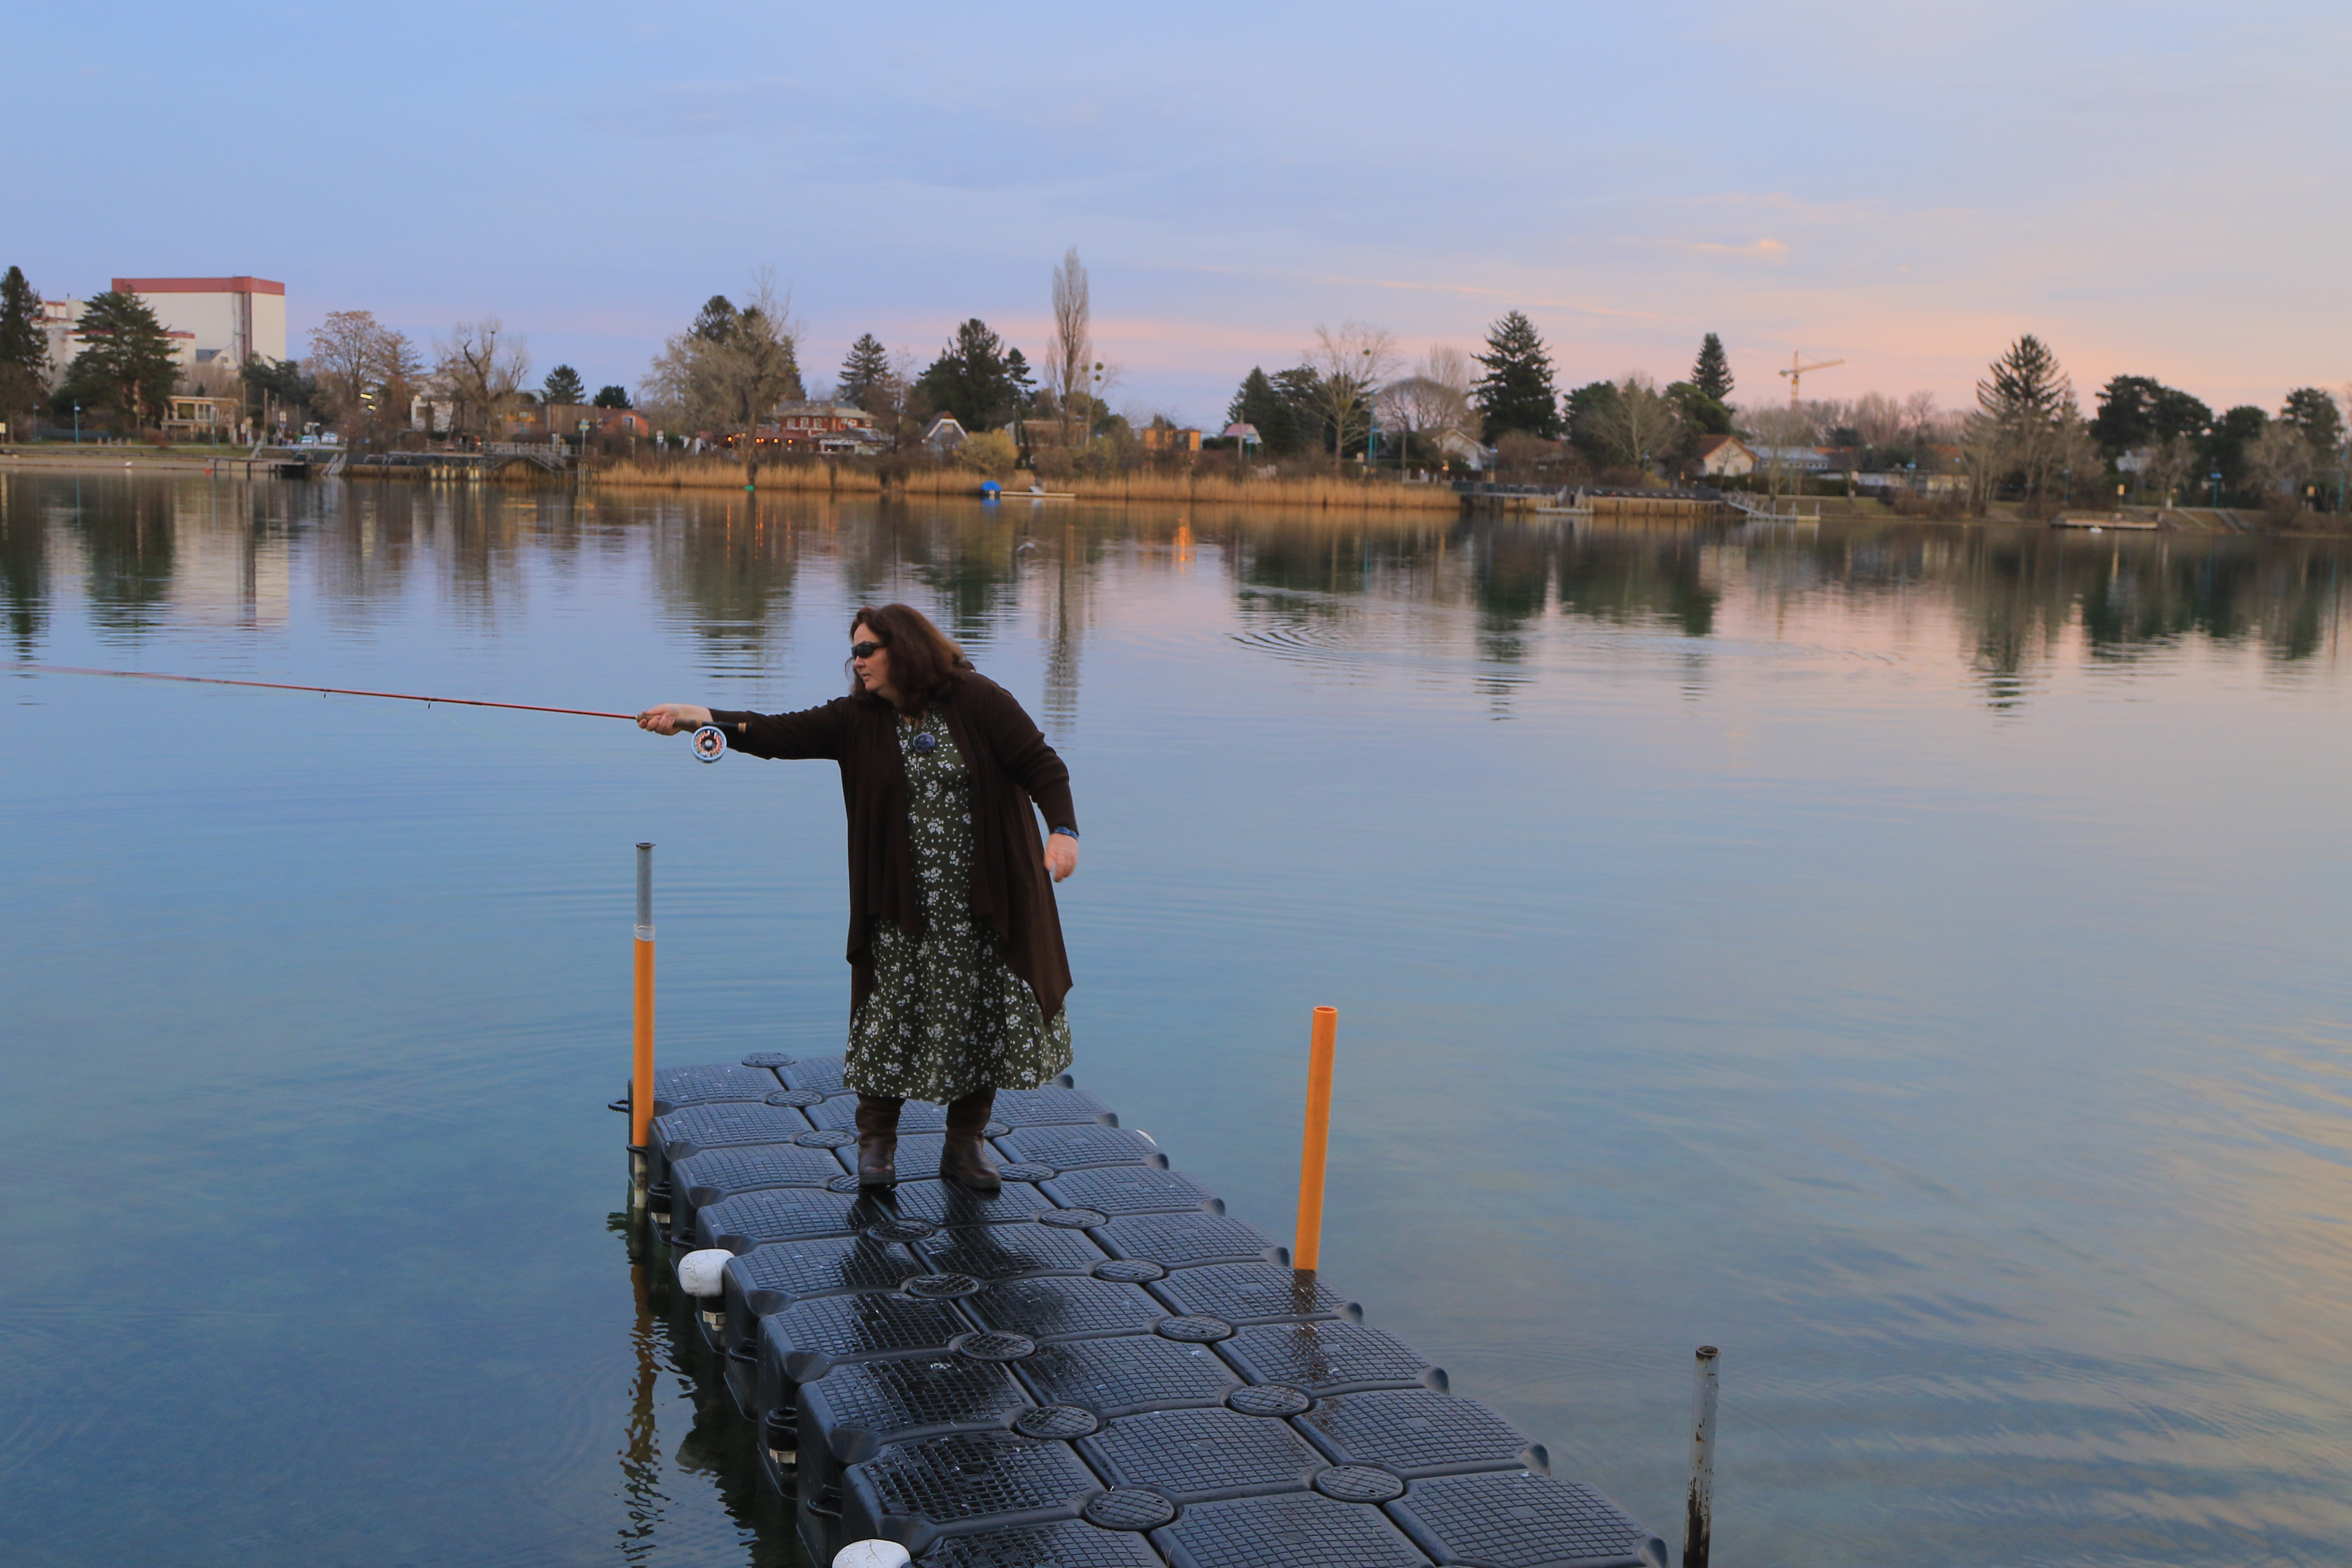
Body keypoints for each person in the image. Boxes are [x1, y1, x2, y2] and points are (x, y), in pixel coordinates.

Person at [637, 603, 1079, 1193]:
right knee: (886, 1017)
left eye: (868, 649)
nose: (858, 661)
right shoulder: (856, 718)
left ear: (906, 649)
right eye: (854, 651)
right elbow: (775, 734)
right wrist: (696, 717)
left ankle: (964, 1145)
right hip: (898, 904)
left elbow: (1043, 767)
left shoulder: (978, 699)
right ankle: (876, 1145)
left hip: (985, 902)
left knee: (980, 1015)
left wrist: (1063, 831)